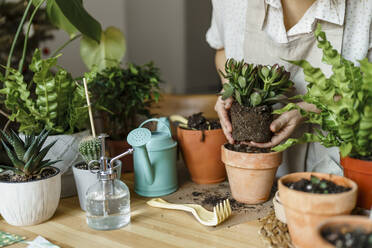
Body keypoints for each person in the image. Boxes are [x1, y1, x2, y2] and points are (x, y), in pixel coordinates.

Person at [207, 0, 372, 176]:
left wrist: (309, 109)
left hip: (338, 169)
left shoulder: (364, 8)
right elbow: (223, 50)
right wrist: (229, 89)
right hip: (253, 168)